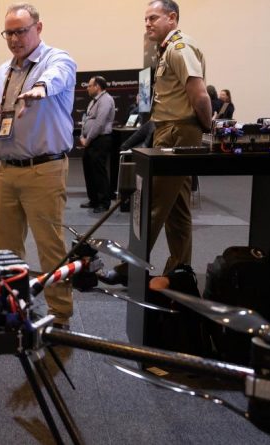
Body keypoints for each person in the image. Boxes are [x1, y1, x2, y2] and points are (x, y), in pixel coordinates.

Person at [0, 3, 77, 328]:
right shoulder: (1, 72)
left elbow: (57, 78)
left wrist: (39, 89)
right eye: (9, 32)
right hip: (7, 169)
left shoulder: (57, 59)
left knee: (50, 246)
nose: (14, 38)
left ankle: (60, 313)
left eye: (21, 30)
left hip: (44, 169)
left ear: (38, 28)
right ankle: (14, 305)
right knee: (6, 248)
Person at [104, 0, 211, 286]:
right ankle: (179, 267)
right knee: (177, 208)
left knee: (152, 203)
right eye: (146, 19)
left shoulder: (179, 48)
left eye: (153, 17)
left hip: (178, 132)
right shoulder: (167, 49)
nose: (148, 23)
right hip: (173, 131)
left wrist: (205, 129)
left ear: (172, 18)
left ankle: (130, 268)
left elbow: (200, 95)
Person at [79, 75, 115, 213]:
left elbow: (99, 123)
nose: (87, 88)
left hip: (100, 140)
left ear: (97, 87)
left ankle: (103, 202)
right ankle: (93, 200)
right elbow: (87, 120)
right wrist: (83, 136)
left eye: (89, 85)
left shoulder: (106, 100)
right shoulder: (93, 101)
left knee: (99, 172)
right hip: (90, 141)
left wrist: (87, 140)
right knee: (89, 170)